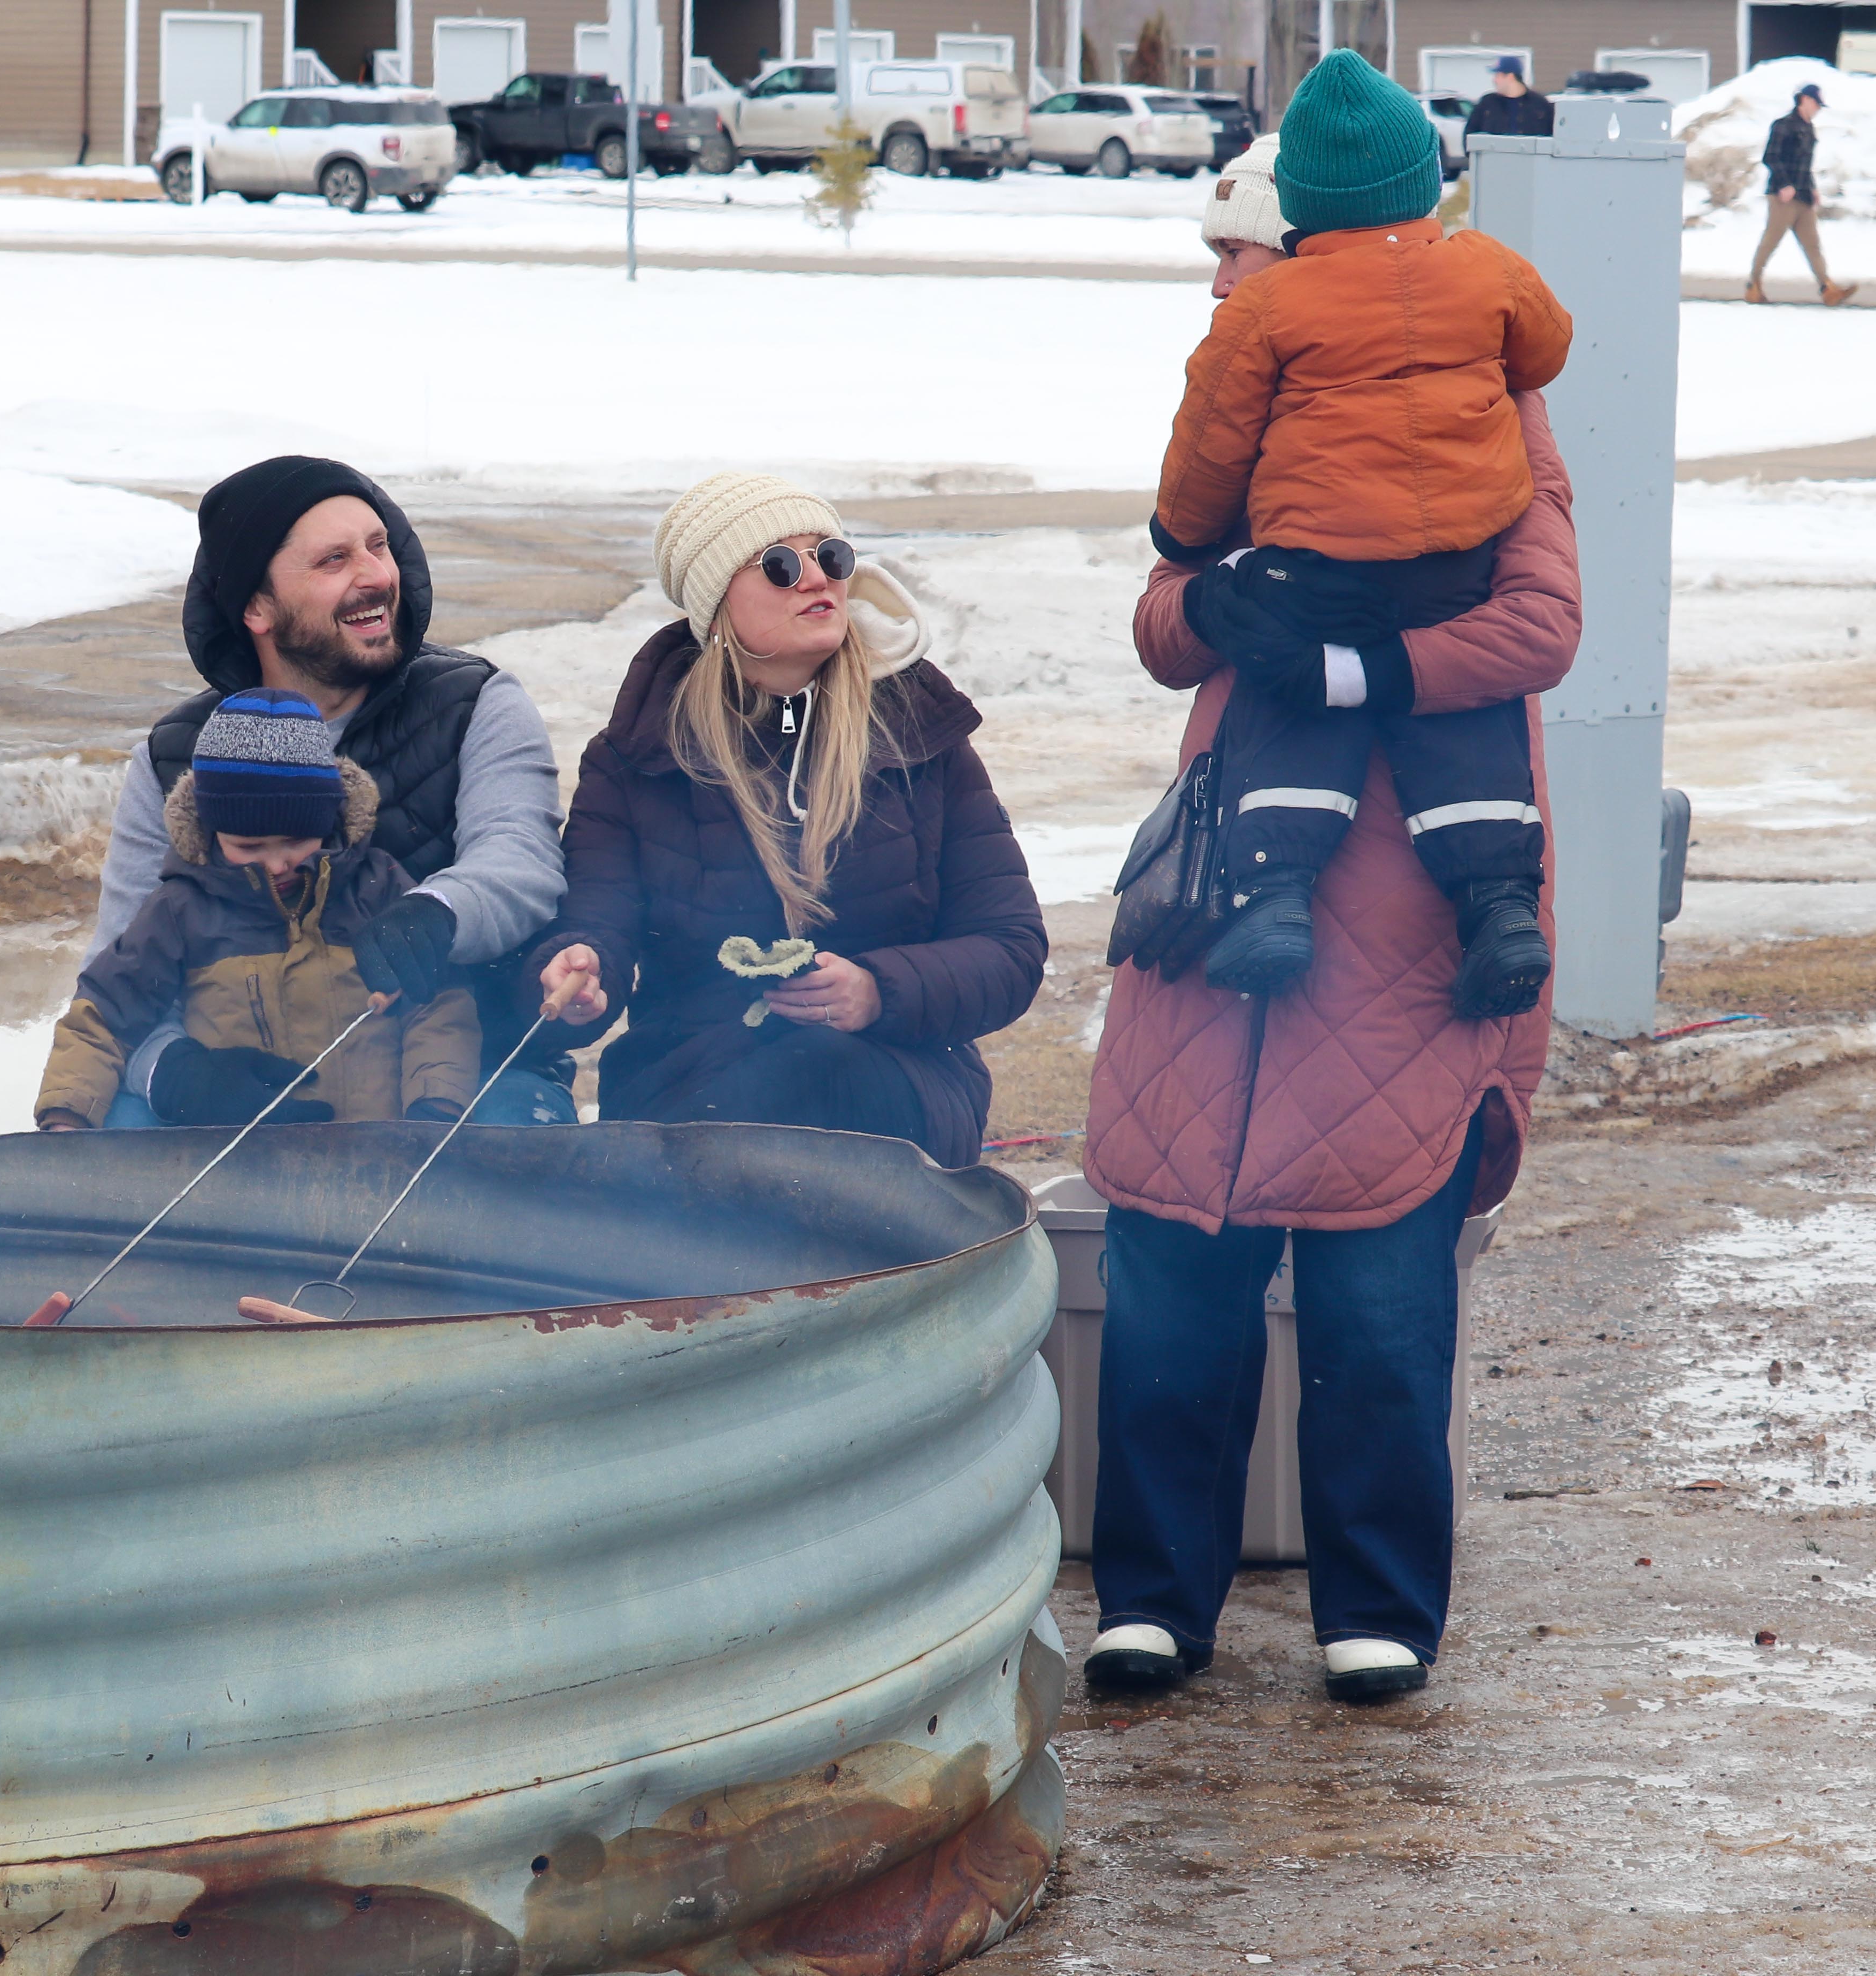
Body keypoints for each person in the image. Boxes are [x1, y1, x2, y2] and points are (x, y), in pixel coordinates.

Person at [1082, 166, 1582, 1707]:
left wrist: (1345, 666)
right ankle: (1151, 1596)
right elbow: (1159, 617)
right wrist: (1218, 608)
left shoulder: (1485, 413)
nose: (1218, 286)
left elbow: (1536, 627)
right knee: (1171, 1265)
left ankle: (1375, 1603)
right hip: (1224, 898)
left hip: (1409, 921)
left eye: (1236, 255)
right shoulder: (1242, 416)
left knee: (1376, 1297)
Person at [1150, 51, 1569, 1019]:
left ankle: (1271, 890)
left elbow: (1205, 441)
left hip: (1317, 566)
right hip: (1455, 562)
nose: (1220, 284)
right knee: (1468, 726)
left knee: (1290, 694)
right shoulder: (1486, 268)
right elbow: (1547, 340)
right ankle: (1500, 902)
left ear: (1298, 219)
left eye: (1235, 253)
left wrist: (1185, 534)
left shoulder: (1269, 314)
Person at [524, 474, 1044, 1162]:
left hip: (897, 1076)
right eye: (779, 565)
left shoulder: (918, 731)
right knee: (756, 1095)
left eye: (830, 556)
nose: (816, 579)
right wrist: (583, 969)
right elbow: (598, 922)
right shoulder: (639, 755)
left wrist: (878, 991)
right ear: (716, 609)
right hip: (691, 1079)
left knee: (820, 1068)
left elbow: (1009, 946)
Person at [87, 456, 570, 1129]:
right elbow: (114, 973)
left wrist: (438, 910)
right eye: (333, 560)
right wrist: (172, 1069)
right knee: (118, 1127)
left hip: (464, 1071)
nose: (376, 576)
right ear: (255, 606)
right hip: (251, 1084)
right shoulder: (176, 754)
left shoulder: (474, 703)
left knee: (504, 1139)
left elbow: (523, 861)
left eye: (378, 546)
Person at [37, 691, 480, 1130]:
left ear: (328, 819)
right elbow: (105, 1016)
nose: (277, 864)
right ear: (212, 831)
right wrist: (65, 1118)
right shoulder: (180, 909)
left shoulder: (378, 887)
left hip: (379, 1150)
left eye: (296, 840)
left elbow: (438, 1004)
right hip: (236, 1163)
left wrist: (435, 1110)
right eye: (249, 846)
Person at [1747, 82, 1856, 307]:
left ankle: (1828, 289)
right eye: (1817, 104)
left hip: (1803, 196)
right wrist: (1784, 185)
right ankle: (1753, 286)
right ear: (1804, 100)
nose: (1818, 109)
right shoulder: (1783, 125)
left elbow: (1806, 165)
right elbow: (1771, 157)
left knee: (1813, 244)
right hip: (1783, 197)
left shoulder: (1809, 129)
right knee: (1771, 240)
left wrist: (1812, 188)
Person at [1463, 57, 1551, 137]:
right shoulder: (1487, 104)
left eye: (1498, 76)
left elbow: (1552, 137)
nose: (1495, 80)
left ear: (1510, 77)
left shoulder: (1540, 104)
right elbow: (1469, 135)